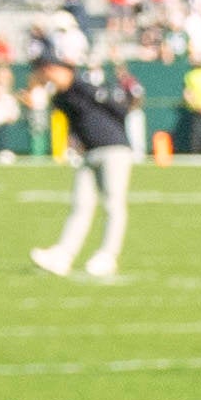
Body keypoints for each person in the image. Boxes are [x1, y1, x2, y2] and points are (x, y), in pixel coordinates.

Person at [31, 37, 138, 278]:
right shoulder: (60, 97)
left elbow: (119, 110)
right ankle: (63, 255)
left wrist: (113, 135)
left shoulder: (85, 87)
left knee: (113, 203)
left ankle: (108, 255)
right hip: (89, 152)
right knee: (80, 204)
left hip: (113, 149)